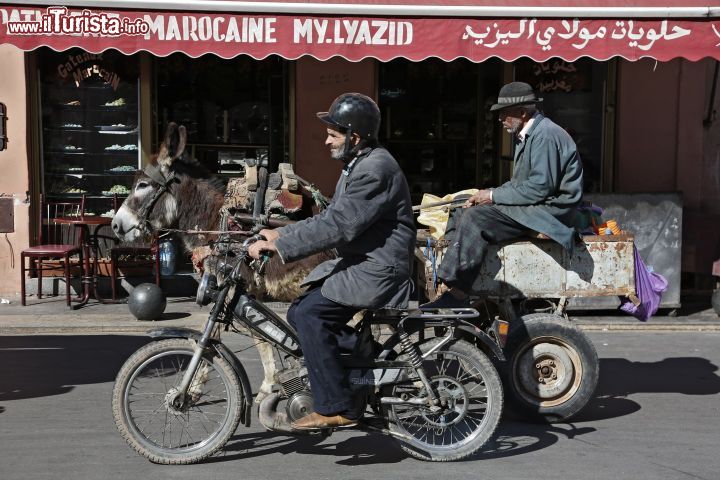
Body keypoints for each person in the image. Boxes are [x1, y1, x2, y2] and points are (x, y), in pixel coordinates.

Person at [248, 93, 416, 430]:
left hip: (379, 268)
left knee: (311, 315)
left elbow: (340, 225)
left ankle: (336, 406)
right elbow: (332, 216)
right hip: (363, 262)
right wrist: (278, 236)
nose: (326, 140)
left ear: (354, 137)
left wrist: (282, 248)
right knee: (299, 311)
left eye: (333, 134)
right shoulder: (358, 165)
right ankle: (357, 366)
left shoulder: (374, 169)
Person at [424, 81, 584, 309]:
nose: (500, 120)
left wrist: (491, 195)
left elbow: (539, 188)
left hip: (550, 212)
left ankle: (458, 292)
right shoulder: (529, 134)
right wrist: (487, 194)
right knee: (462, 206)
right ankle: (449, 283)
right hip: (536, 205)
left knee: (476, 217)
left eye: (503, 114)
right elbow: (521, 185)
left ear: (521, 112)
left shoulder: (544, 136)